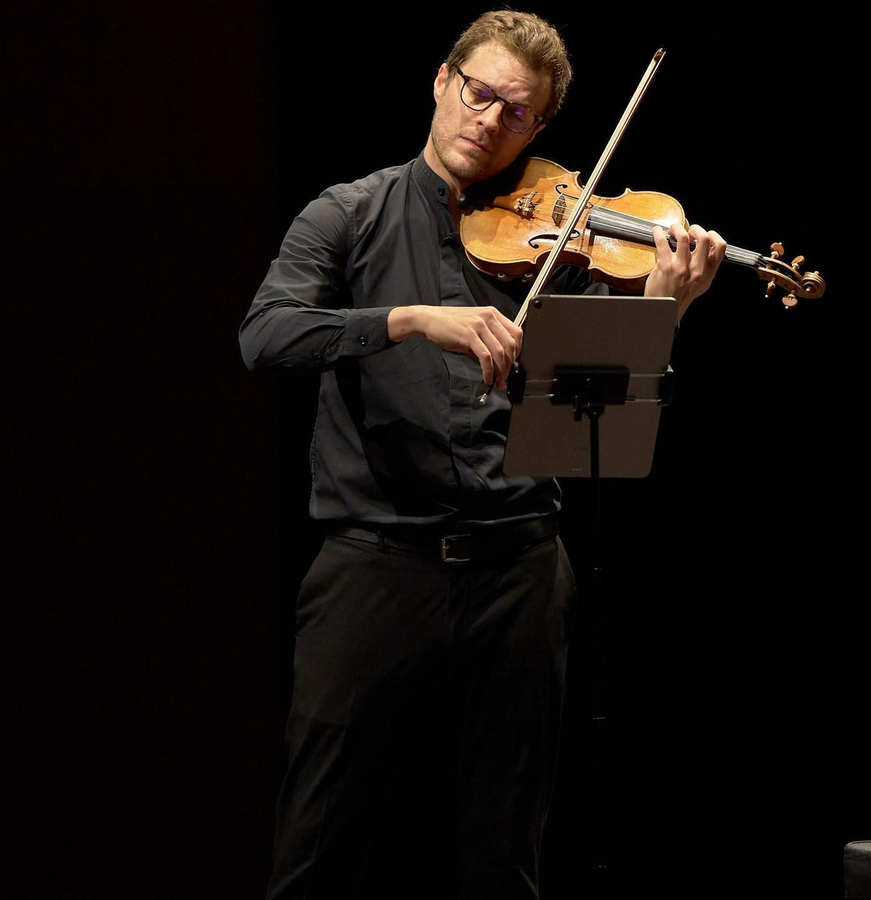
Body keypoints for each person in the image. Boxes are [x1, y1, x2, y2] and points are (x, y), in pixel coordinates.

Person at [238, 10, 725, 897]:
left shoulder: (565, 231)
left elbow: (600, 390)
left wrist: (665, 306)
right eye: (479, 94)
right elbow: (265, 337)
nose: (490, 121)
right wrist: (412, 319)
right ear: (442, 80)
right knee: (319, 846)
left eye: (518, 113)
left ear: (540, 128)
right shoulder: (348, 214)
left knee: (502, 853)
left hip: (519, 571)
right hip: (375, 566)